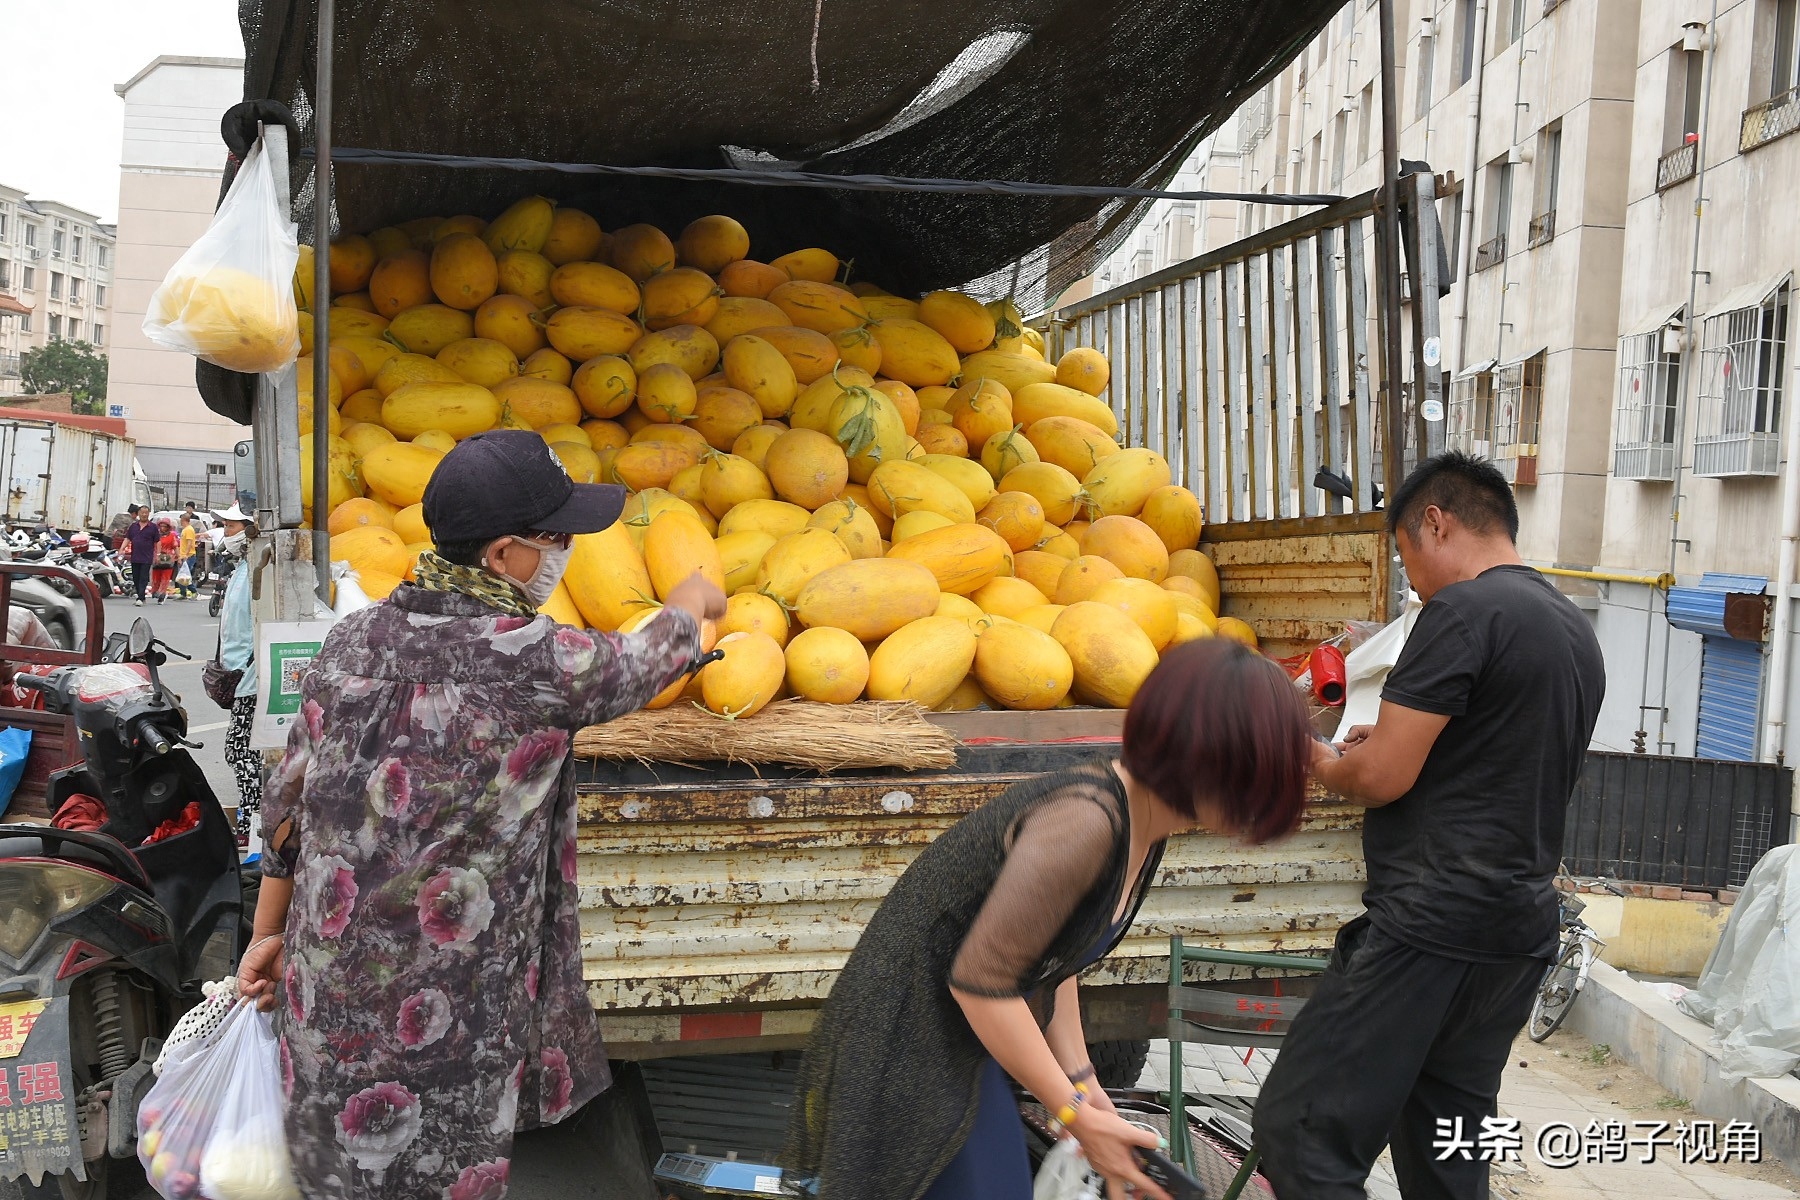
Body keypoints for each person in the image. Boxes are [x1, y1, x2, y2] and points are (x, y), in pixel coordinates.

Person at [236, 430, 725, 1200]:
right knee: (435, 1172)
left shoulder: (349, 639)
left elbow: (284, 809)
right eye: (556, 538)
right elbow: (651, 657)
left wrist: (267, 936)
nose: (567, 551)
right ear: (503, 556)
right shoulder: (538, 659)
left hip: (325, 984)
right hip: (449, 1011)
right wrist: (694, 601)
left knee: (333, 1178)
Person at [782, 639, 1315, 1200]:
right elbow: (982, 985)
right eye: (1262, 776)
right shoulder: (1086, 822)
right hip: (904, 1044)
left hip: (958, 1047)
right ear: (1215, 759)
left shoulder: (1146, 823)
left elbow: (1055, 958)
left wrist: (1082, 1083)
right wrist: (1073, 1112)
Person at [1255, 452, 1606, 1200]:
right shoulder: (1574, 633)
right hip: (1515, 934)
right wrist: (1375, 744)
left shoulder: (1461, 612)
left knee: (1300, 1135)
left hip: (1429, 928)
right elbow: (1494, 762)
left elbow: (1382, 779)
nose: (1411, 579)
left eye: (1407, 554)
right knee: (1447, 1152)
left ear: (1437, 523)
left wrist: (1314, 757)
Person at [214, 504, 263, 839]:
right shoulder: (241, 568)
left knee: (240, 751)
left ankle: (253, 822)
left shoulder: (257, 571)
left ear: (249, 529)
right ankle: (253, 819)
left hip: (251, 678)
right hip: (237, 674)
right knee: (243, 751)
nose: (225, 533)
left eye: (230, 527)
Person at [123, 505, 158, 606]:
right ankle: (140, 596)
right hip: (135, 556)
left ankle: (140, 597)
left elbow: (157, 542)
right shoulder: (134, 527)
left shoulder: (153, 527)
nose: (144, 514)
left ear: (148, 513)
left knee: (143, 577)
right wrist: (122, 548)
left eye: (146, 512)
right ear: (138, 513)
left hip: (147, 557)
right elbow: (127, 538)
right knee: (136, 577)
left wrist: (158, 554)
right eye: (142, 512)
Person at [149, 520, 179, 603]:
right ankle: (155, 591)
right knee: (156, 577)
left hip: (168, 559)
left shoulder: (172, 536)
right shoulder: (156, 535)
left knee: (165, 578)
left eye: (165, 526)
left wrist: (178, 557)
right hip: (157, 559)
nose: (162, 528)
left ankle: (162, 594)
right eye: (161, 526)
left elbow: (175, 547)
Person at [176, 514, 199, 599]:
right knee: (182, 576)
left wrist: (186, 554)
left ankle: (193, 591)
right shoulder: (185, 529)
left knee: (184, 576)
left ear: (183, 520)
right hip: (184, 556)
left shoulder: (189, 530)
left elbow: (189, 543)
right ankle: (183, 593)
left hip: (188, 556)